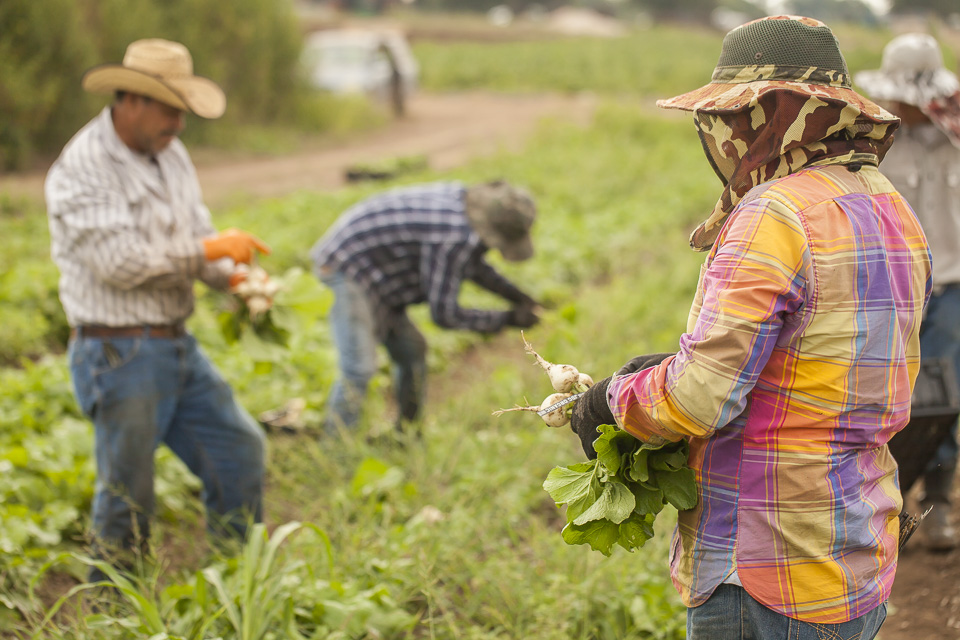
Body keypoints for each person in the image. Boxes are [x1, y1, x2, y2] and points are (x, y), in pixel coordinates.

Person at [569, 16, 931, 639]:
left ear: (778, 116)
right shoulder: (887, 204)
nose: (723, 136)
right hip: (852, 552)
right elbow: (819, 355)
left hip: (766, 569)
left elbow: (697, 400)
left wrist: (607, 401)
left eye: (735, 119)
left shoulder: (776, 213)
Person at [44, 39, 269, 579]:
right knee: (128, 496)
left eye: (182, 111)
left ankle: (238, 584)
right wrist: (213, 250)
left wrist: (234, 277)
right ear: (131, 100)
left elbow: (196, 236)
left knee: (239, 450)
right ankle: (113, 617)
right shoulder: (84, 166)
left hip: (173, 343)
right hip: (118, 351)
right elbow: (119, 263)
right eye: (170, 108)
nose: (179, 122)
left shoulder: (171, 154)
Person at [310, 180, 540, 433]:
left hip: (380, 276)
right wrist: (506, 319)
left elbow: (472, 266)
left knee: (411, 350)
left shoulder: (464, 212)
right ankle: (336, 448)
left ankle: (407, 432)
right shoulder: (452, 235)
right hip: (347, 267)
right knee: (358, 368)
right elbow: (445, 314)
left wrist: (517, 296)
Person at [855, 33, 960, 553]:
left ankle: (936, 505)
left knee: (942, 399)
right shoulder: (873, 145)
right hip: (890, 291)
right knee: (883, 399)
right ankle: (882, 508)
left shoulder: (955, 136)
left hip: (951, 288)